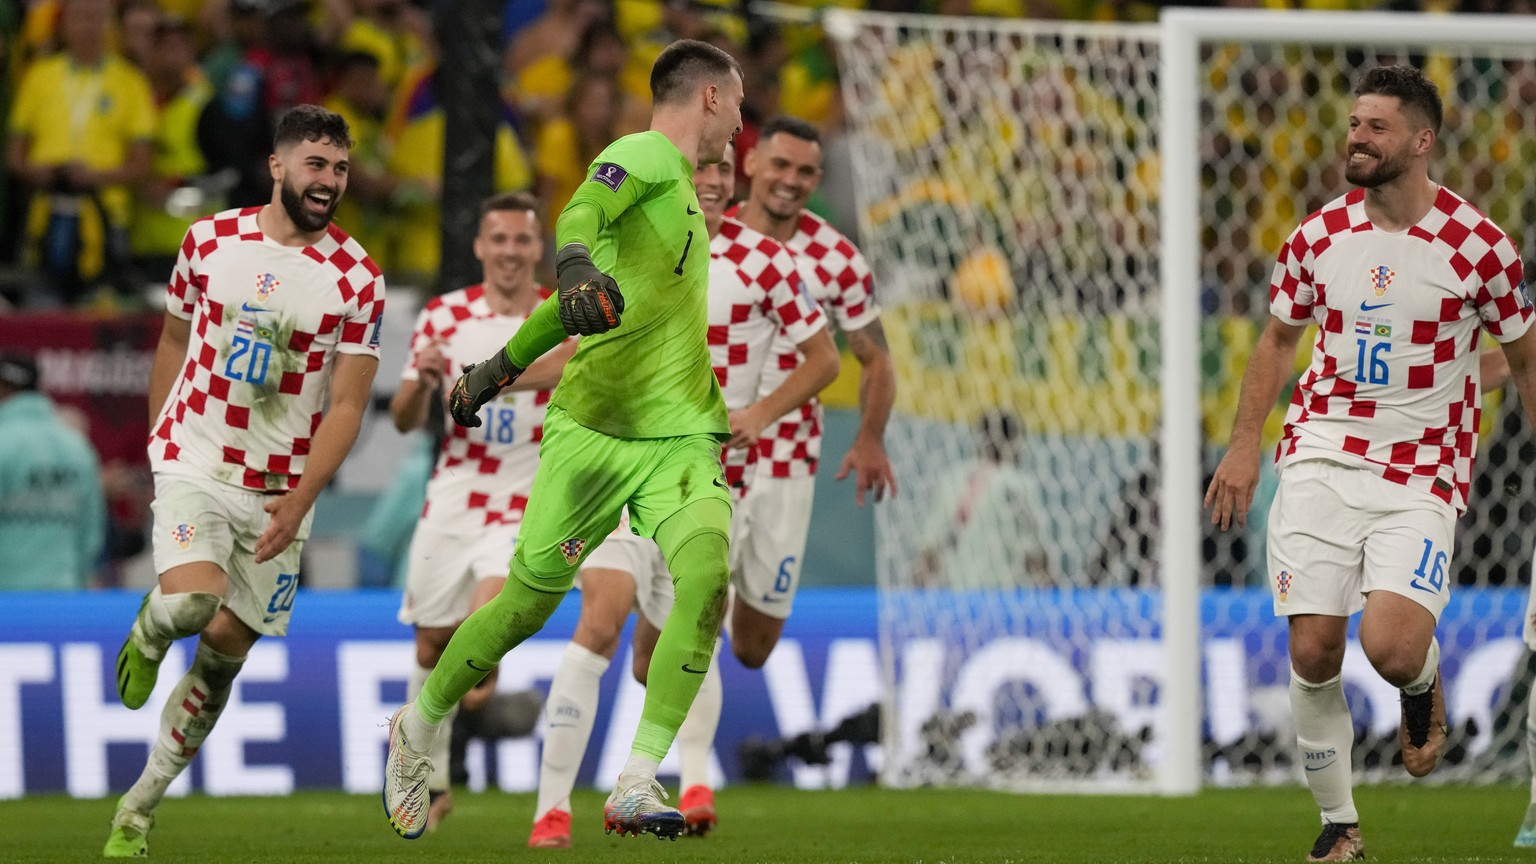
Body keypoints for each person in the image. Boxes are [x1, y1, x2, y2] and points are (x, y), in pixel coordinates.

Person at [381, 38, 745, 842]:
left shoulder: (681, 191)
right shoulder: (644, 154)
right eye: (738, 103)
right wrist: (569, 263)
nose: (741, 122)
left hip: (680, 435)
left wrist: (491, 372)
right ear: (710, 99)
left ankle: (638, 780)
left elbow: (578, 307)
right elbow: (579, 214)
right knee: (523, 608)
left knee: (708, 576)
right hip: (592, 436)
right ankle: (420, 723)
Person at [1203, 65, 1536, 863]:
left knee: (1389, 647)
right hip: (1320, 449)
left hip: (1425, 468)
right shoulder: (1317, 236)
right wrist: (1246, 445)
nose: (1356, 136)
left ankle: (1419, 684)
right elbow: (1279, 342)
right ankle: (1339, 826)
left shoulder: (1479, 247)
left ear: (1421, 142)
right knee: (1313, 649)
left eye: (1376, 127)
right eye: (1355, 123)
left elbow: (1522, 359)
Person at [526, 139, 838, 848]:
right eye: (701, 169)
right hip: (620, 469)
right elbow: (574, 345)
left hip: (703, 485)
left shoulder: (767, 262)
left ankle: (687, 781)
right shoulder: (632, 248)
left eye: (724, 169)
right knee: (601, 619)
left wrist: (758, 414)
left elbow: (825, 358)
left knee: (677, 643)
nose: (714, 180)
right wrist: (496, 374)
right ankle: (552, 809)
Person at [104, 104, 385, 858]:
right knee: (194, 603)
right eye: (315, 165)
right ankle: (150, 627)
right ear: (278, 165)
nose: (328, 181)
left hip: (277, 489)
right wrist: (166, 434)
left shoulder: (356, 278)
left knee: (225, 653)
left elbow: (349, 403)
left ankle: (138, 807)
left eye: (340, 168)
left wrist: (302, 497)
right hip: (197, 460)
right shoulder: (208, 240)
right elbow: (172, 337)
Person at [388, 191, 573, 830]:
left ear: (537, 249)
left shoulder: (561, 315)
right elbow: (406, 421)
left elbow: (566, 365)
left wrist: (490, 375)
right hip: (456, 491)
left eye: (523, 240)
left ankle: (446, 736)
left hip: (529, 497)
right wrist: (422, 382)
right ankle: (427, 775)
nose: (512, 252)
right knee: (432, 640)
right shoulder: (444, 315)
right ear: (480, 247)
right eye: (500, 240)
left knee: (484, 625)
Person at [0, 353, 107, 590]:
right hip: (62, 598)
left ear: (4, 387)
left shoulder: (3, 442)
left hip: (6, 602)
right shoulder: (77, 447)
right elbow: (90, 534)